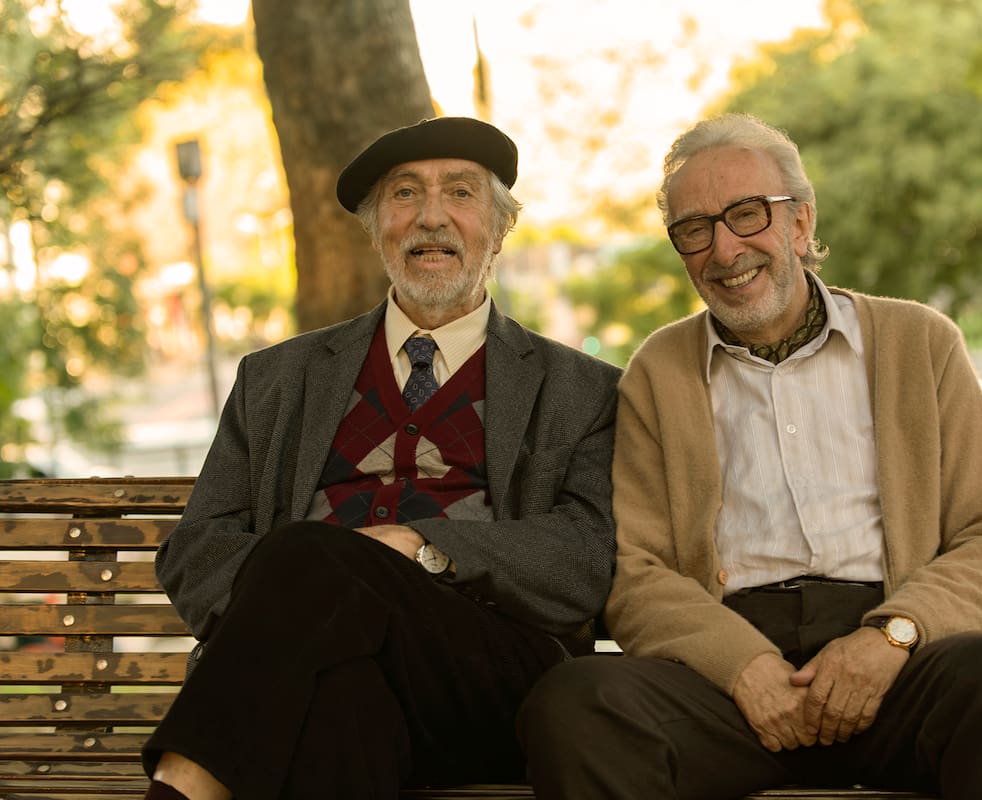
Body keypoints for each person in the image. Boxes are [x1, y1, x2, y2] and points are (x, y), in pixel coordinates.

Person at [518, 114, 982, 799]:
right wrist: (743, 667)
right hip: (727, 682)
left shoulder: (918, 342)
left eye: (747, 214)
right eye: (694, 230)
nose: (725, 250)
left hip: (901, 664)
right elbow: (638, 572)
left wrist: (891, 638)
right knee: (578, 702)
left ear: (801, 222)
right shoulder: (659, 371)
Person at [140, 117, 621, 800]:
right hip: (318, 682)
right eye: (405, 194)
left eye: (460, 193)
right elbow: (195, 552)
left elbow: (585, 558)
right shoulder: (275, 379)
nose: (431, 217)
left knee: (310, 553)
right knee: (341, 692)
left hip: (487, 680)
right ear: (376, 229)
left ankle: (179, 787)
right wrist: (307, 601)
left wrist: (418, 547)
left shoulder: (582, 389)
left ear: (499, 229)